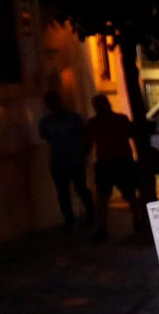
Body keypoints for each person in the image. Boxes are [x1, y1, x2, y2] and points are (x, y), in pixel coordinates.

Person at [83, 93, 139, 240]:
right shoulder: (119, 120)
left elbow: (87, 144)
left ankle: (103, 228)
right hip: (119, 161)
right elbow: (132, 134)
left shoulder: (95, 123)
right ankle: (137, 221)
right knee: (128, 194)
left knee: (105, 197)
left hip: (110, 162)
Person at [38, 90, 94, 228]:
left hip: (75, 159)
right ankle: (69, 217)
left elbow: (85, 136)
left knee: (80, 187)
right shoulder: (45, 121)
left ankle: (90, 213)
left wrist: (83, 153)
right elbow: (47, 139)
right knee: (62, 191)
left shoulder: (74, 118)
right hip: (58, 161)